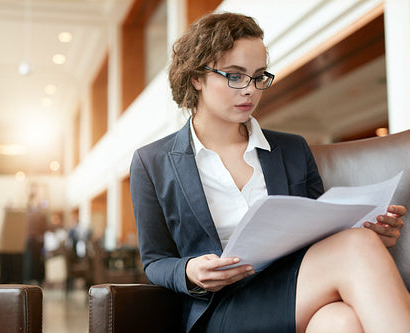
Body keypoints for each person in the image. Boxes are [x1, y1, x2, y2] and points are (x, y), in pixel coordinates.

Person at [129, 12, 410, 333]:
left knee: (340, 321)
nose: (250, 89)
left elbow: (322, 228)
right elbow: (155, 262)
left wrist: (372, 230)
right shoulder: (152, 161)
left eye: (259, 76)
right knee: (357, 247)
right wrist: (190, 270)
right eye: (235, 75)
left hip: (296, 284)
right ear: (196, 77)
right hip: (220, 307)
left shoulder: (292, 150)